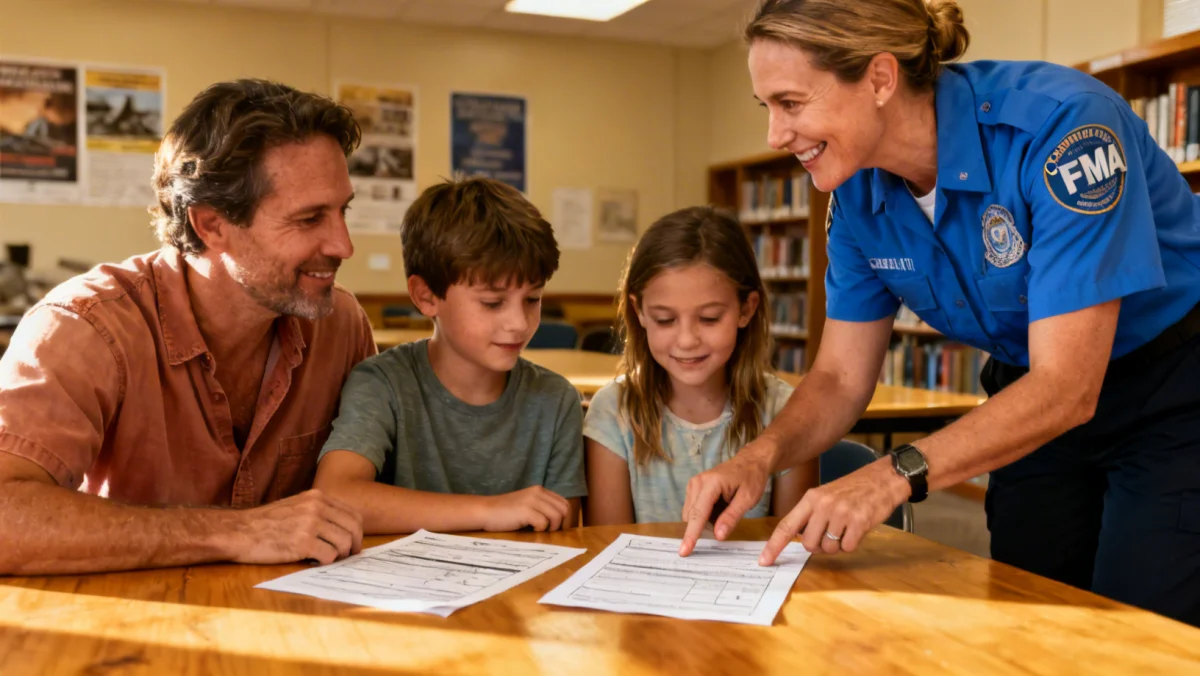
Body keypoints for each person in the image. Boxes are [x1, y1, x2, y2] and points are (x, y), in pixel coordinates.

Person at [680, 0, 1200, 626]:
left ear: (879, 78)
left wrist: (890, 476)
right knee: (1027, 612)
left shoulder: (1062, 128)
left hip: (1172, 391)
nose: (775, 135)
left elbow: (1068, 386)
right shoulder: (853, 195)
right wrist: (758, 458)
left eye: (792, 103)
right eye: (767, 108)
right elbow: (841, 377)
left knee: (1139, 628)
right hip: (1027, 394)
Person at [0, 79, 375, 575]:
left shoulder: (339, 324)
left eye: (342, 211)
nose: (344, 245)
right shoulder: (85, 327)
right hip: (130, 634)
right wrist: (238, 531)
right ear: (212, 225)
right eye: (309, 219)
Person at [313, 176, 587, 534]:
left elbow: (559, 528)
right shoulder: (383, 384)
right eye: (492, 303)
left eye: (533, 299)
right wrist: (490, 511)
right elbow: (335, 496)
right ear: (426, 297)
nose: (519, 323)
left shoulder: (556, 401)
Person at [584, 206, 814, 525]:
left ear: (746, 309)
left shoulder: (786, 412)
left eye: (709, 318)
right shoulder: (612, 412)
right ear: (640, 312)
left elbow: (793, 547)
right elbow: (606, 545)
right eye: (665, 320)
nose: (687, 340)